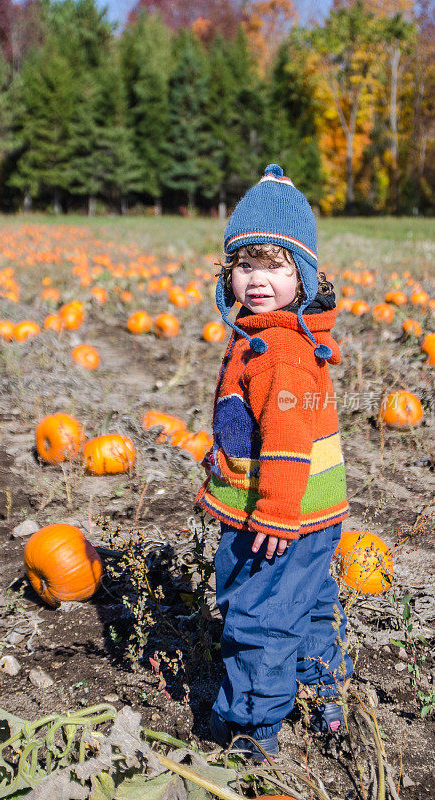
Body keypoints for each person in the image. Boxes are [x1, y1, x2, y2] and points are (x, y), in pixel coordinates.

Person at [195, 163, 353, 761]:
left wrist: (274, 514)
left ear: (303, 274)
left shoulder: (279, 354)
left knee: (260, 619)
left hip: (277, 520)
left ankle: (251, 735)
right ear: (228, 272)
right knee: (309, 605)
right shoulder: (269, 335)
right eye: (245, 264)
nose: (258, 279)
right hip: (313, 515)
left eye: (276, 265)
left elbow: (286, 442)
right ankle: (325, 701)